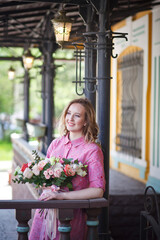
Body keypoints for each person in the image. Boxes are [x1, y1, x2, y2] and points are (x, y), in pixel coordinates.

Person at [29, 98, 106, 240]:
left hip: (71, 215)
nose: (70, 118)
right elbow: (45, 178)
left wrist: (62, 196)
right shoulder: (55, 144)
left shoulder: (92, 150)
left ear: (86, 121)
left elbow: (98, 190)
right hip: (46, 212)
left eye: (77, 115)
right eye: (68, 113)